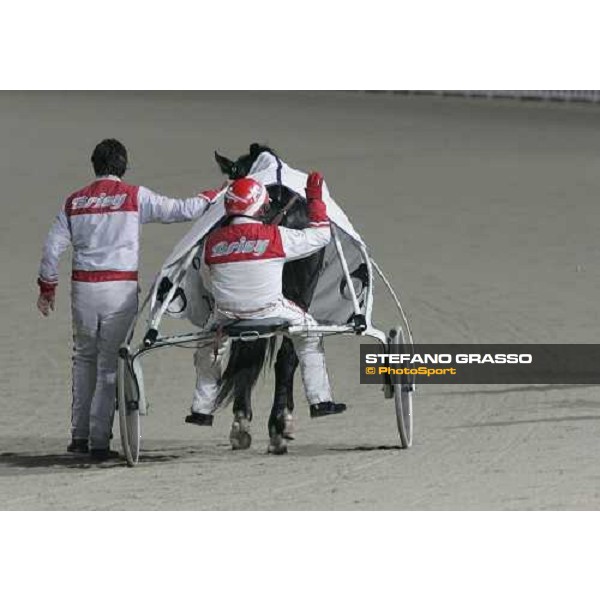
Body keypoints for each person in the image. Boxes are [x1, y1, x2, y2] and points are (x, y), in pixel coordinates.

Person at [37, 139, 220, 461]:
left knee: (83, 360)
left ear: (94, 165)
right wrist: (213, 195)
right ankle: (98, 441)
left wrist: (47, 288)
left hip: (83, 290)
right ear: (123, 166)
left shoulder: (74, 201)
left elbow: (52, 249)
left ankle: (78, 436)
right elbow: (182, 210)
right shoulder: (136, 196)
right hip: (119, 289)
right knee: (110, 365)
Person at [187, 172, 346, 425]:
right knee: (310, 333)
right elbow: (320, 237)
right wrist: (315, 199)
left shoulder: (211, 242)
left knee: (209, 348)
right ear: (258, 208)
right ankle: (320, 400)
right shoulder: (275, 236)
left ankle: (202, 409)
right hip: (270, 309)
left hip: (225, 315)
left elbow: (208, 280)